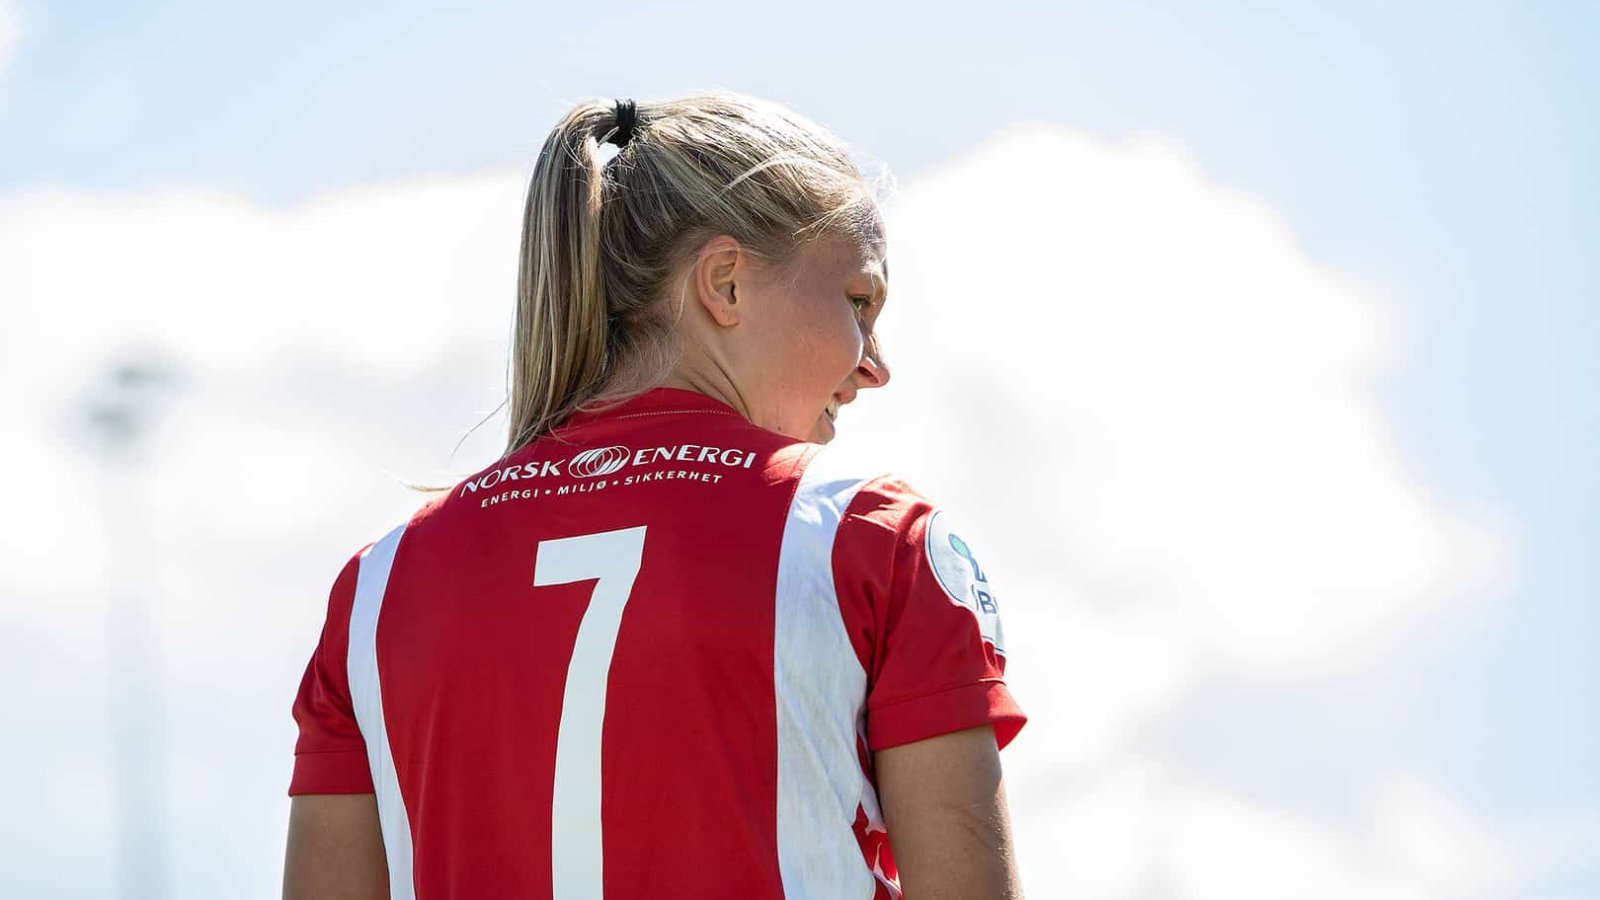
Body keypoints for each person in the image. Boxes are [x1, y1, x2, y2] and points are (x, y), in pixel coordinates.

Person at [283, 91, 1027, 900]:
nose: (874, 365)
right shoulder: (875, 538)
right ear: (726, 283)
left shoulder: (381, 587)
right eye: (858, 301)